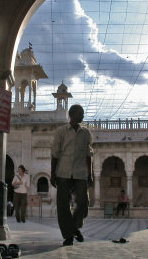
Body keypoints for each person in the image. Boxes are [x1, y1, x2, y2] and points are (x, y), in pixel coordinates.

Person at [50, 104, 93, 246]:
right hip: (63, 172)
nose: (83, 116)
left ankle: (73, 227)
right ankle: (68, 235)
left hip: (80, 172)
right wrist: (52, 173)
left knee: (83, 203)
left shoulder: (86, 133)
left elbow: (88, 154)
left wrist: (90, 173)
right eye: (81, 113)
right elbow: (55, 153)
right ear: (72, 114)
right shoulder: (61, 131)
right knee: (63, 205)